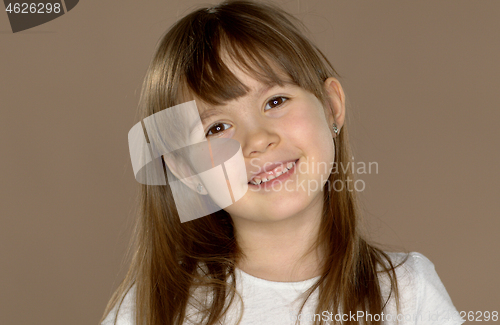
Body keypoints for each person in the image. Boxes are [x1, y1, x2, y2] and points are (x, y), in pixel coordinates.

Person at [101, 1, 464, 324]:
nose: (257, 139)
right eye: (217, 127)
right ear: (184, 169)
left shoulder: (408, 293)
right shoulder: (153, 309)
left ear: (331, 106)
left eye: (275, 101)